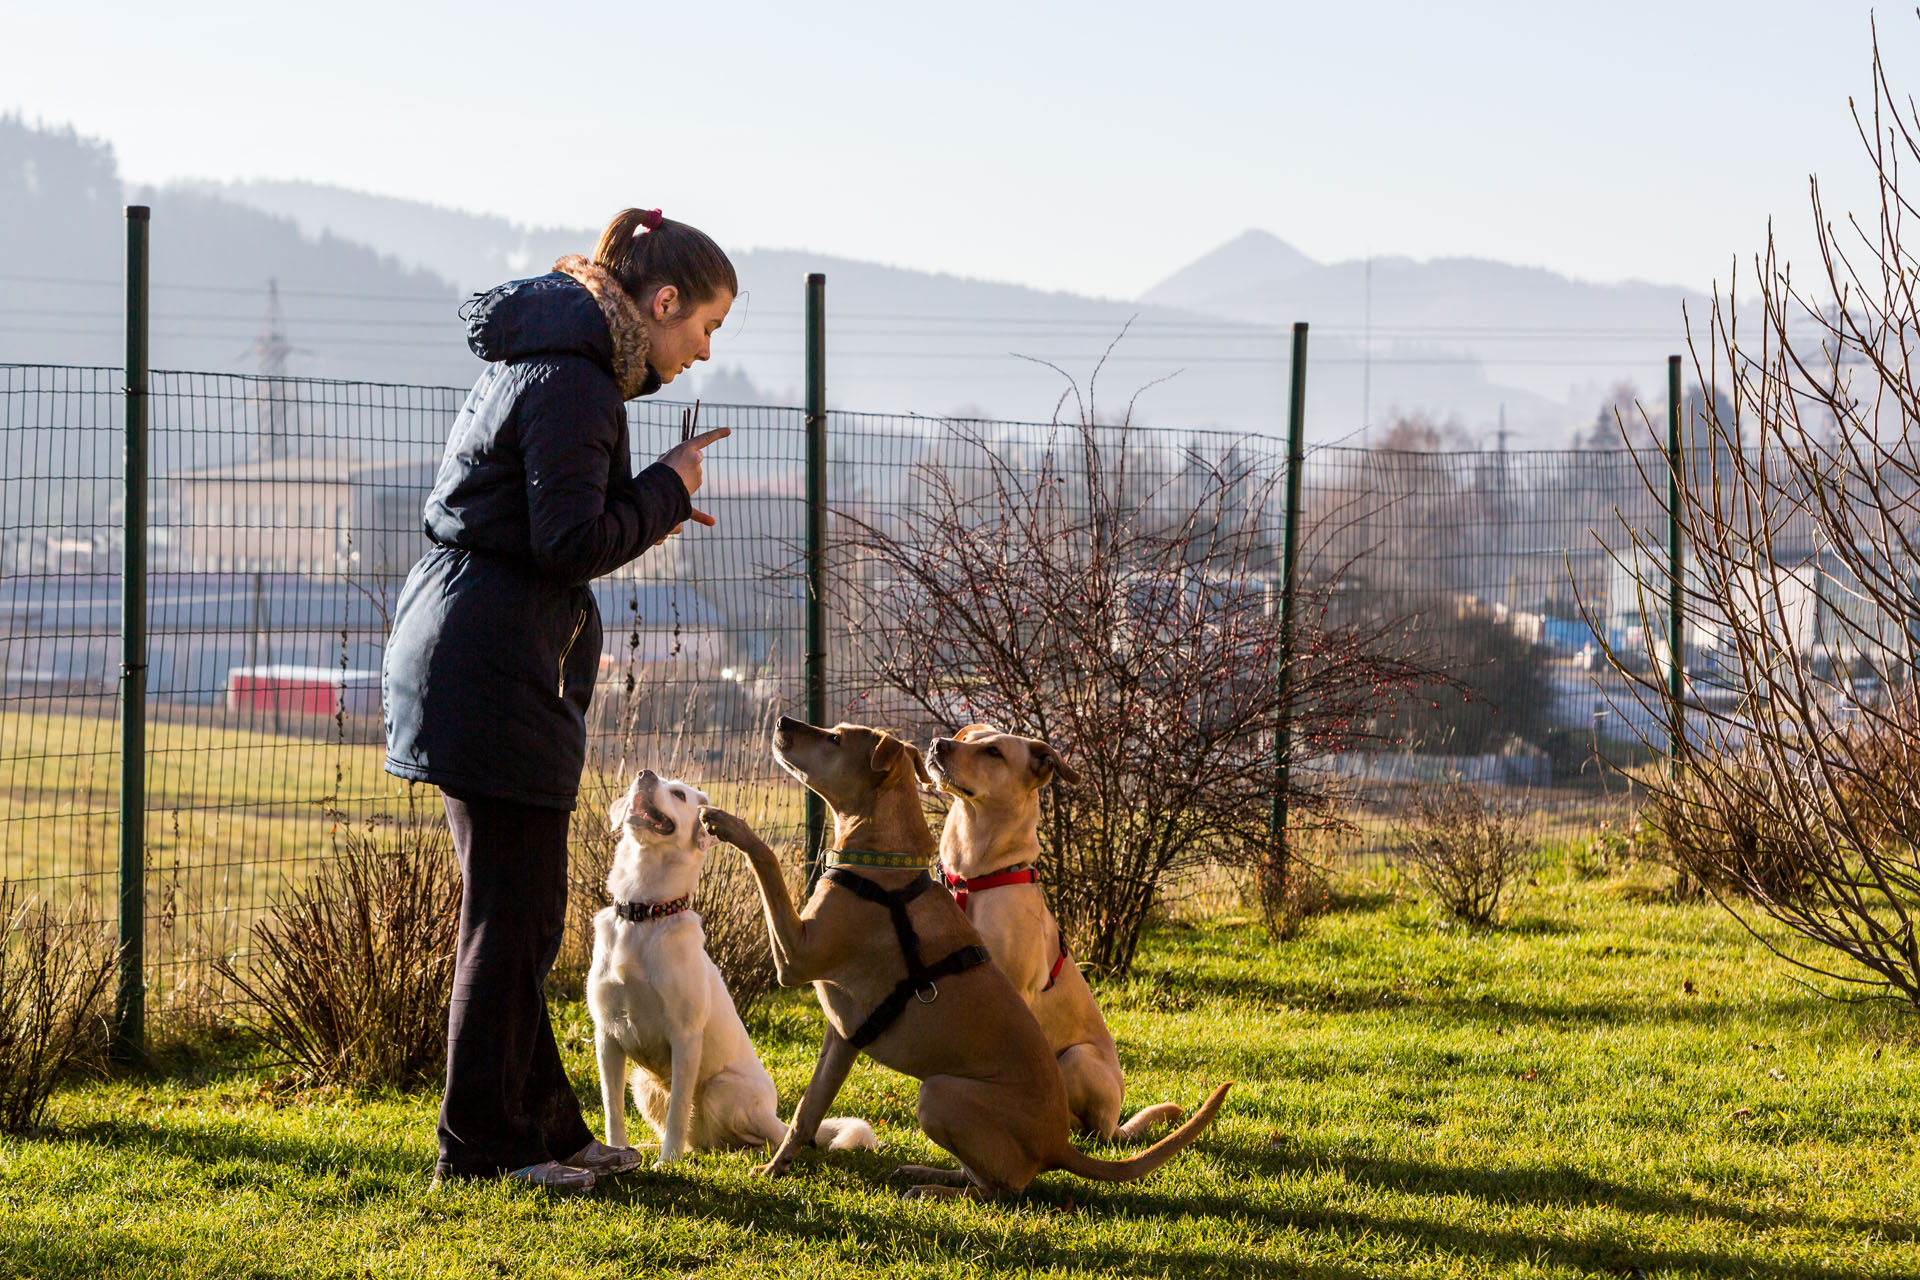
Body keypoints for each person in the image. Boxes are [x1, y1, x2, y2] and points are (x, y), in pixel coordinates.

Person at [382, 207, 734, 1192]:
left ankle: (546, 1126)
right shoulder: (576, 381)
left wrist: (655, 491)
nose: (703, 351)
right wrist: (665, 487)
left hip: (474, 651)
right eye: (704, 325)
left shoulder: (553, 357)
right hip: (491, 665)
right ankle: (485, 1148)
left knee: (517, 917)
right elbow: (567, 541)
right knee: (514, 922)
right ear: (661, 303)